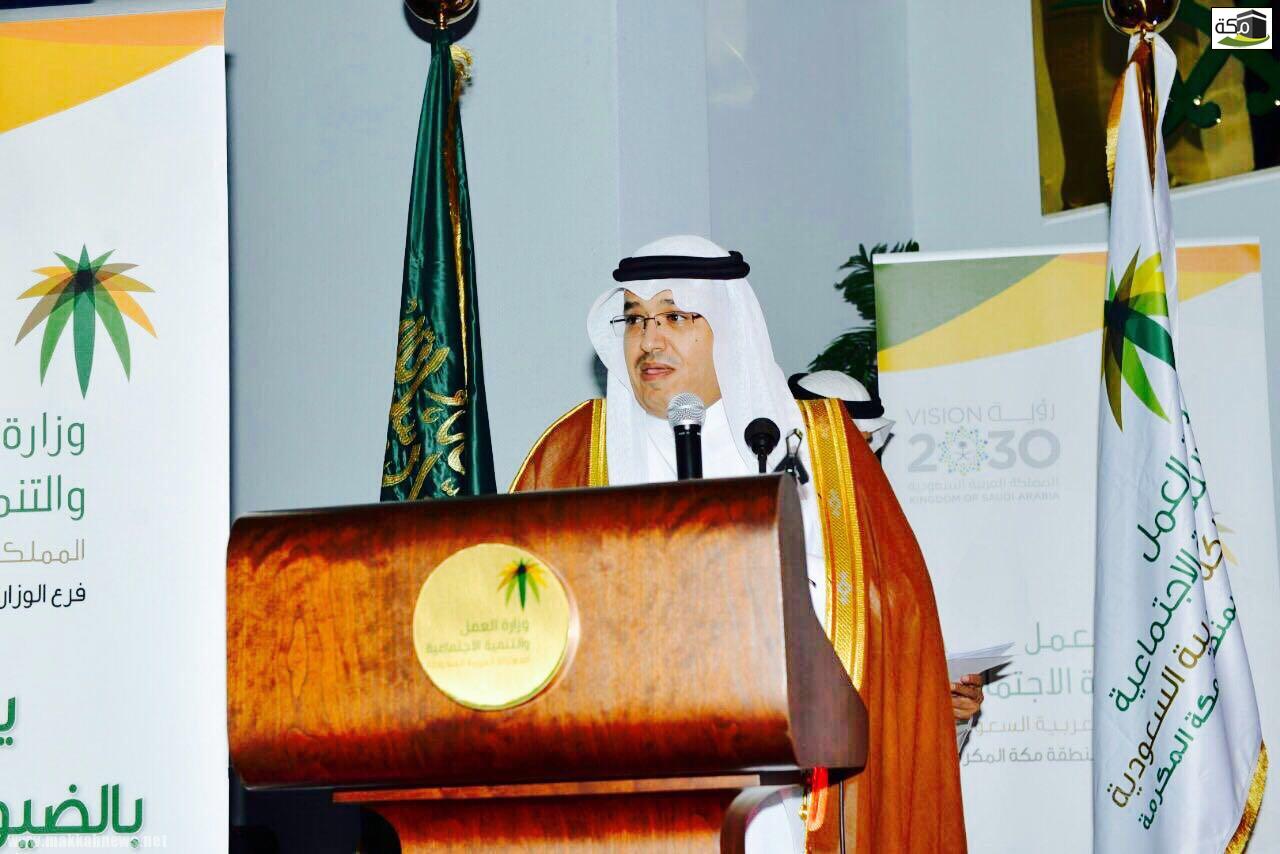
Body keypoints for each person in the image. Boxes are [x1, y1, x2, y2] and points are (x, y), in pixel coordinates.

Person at [511, 235, 966, 853]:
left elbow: (890, 606)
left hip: (787, 789)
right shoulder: (572, 452)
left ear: (726, 326)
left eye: (675, 316)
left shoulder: (818, 445)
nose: (649, 341)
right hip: (621, 789)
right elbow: (522, 613)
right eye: (636, 319)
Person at [791, 369, 986, 750]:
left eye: (865, 446)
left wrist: (951, 712)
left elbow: (906, 711)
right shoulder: (763, 526)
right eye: (846, 446)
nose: (857, 462)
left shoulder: (885, 545)